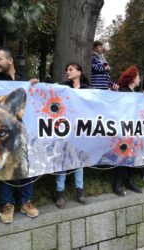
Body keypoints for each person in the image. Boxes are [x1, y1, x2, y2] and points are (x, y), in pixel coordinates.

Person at [0, 46, 39, 223]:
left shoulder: (24, 79)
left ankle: (26, 201)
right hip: (3, 133)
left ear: (10, 60)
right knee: (6, 166)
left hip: (25, 130)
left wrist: (35, 86)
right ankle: (7, 203)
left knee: (29, 164)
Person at [55, 63, 88, 208]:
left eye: (71, 69)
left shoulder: (88, 89)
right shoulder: (63, 87)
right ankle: (59, 192)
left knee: (79, 161)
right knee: (63, 160)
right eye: (66, 69)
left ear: (79, 72)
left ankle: (80, 191)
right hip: (65, 129)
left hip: (80, 130)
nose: (67, 72)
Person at [112, 65, 142, 196]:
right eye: (138, 76)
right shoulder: (122, 91)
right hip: (123, 130)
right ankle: (117, 183)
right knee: (123, 155)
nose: (140, 79)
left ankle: (130, 180)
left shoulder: (136, 93)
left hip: (134, 130)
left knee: (133, 156)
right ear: (133, 78)